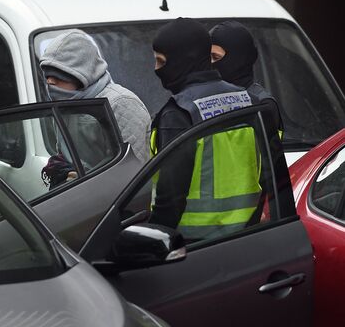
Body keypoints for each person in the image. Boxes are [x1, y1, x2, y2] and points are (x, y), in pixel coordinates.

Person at [148, 17, 261, 241]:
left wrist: (153, 240)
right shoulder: (248, 100)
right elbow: (270, 177)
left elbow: (170, 197)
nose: (156, 69)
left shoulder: (179, 112)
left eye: (161, 62)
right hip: (249, 237)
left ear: (182, 60)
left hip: (192, 247)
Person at [39, 29, 151, 165]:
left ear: (82, 74)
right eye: (47, 75)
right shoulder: (66, 104)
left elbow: (130, 170)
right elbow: (65, 156)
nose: (50, 81)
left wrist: (83, 177)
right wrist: (63, 172)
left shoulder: (121, 103)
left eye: (58, 75)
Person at [209, 20, 283, 134]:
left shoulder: (261, 105)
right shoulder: (205, 100)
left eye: (216, 57)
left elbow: (271, 149)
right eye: (207, 57)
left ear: (239, 58)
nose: (210, 64)